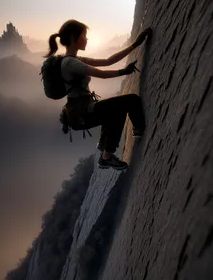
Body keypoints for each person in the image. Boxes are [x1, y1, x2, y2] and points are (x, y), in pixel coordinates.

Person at [45, 19, 152, 170]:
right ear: (73, 38)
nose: (86, 38)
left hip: (83, 110)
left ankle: (106, 153)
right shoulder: (70, 63)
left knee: (115, 109)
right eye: (83, 35)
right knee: (131, 100)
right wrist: (123, 72)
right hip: (81, 113)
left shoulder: (74, 60)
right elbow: (101, 74)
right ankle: (134, 137)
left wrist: (135, 44)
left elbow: (108, 61)